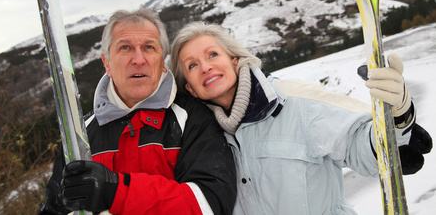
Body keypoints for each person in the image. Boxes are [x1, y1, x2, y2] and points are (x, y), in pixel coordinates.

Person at [169, 21, 432, 215]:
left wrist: (398, 115)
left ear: (234, 60)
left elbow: (361, 145)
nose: (205, 67)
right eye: (192, 65)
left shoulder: (294, 102)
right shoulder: (202, 141)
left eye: (212, 54)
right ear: (190, 87)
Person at [39, 10, 237, 215]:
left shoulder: (192, 118)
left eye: (149, 47)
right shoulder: (81, 134)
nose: (138, 59)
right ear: (106, 62)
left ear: (162, 62)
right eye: (125, 48)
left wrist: (116, 192)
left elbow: (210, 204)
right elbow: (55, 207)